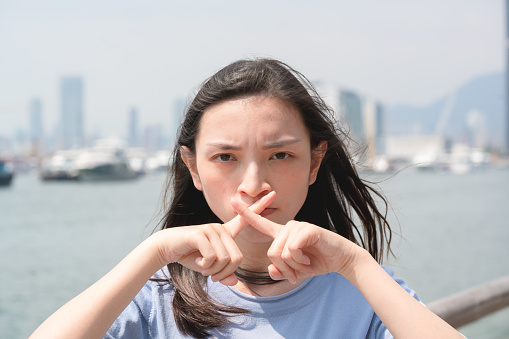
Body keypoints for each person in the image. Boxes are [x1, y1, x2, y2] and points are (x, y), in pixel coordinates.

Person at [30, 58, 464, 339]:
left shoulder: (366, 294)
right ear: (193, 167)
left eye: (281, 154)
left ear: (314, 164)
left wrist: (354, 264)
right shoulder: (156, 298)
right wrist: (155, 252)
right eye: (225, 157)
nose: (253, 183)